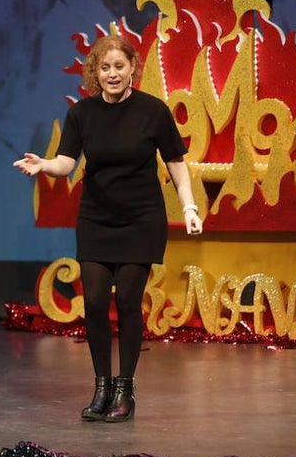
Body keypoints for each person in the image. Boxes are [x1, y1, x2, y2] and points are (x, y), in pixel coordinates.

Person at [13, 33, 203, 422]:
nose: (112, 74)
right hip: (96, 218)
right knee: (96, 303)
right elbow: (67, 161)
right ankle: (101, 387)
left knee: (128, 302)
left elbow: (176, 165)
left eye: (119, 66)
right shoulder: (82, 114)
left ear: (132, 67)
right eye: (105, 68)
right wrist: (45, 165)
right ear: (94, 73)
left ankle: (125, 392)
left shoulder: (153, 111)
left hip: (141, 219)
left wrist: (189, 207)